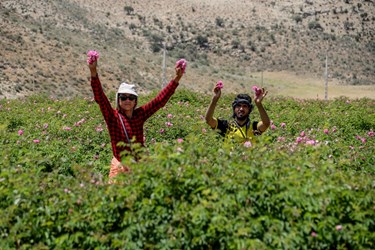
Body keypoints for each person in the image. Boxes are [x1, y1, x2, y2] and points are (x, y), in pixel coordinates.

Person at [88, 55, 184, 179]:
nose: (127, 100)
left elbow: (159, 101)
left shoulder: (140, 115)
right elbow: (100, 97)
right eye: (123, 97)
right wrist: (93, 72)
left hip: (139, 168)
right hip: (120, 169)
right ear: (118, 100)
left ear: (135, 101)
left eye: (131, 98)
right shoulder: (112, 117)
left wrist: (177, 78)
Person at [205, 84, 270, 145]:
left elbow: (266, 123)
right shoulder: (226, 126)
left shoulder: (254, 127)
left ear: (249, 110)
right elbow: (209, 120)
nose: (241, 109)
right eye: (238, 106)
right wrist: (215, 99)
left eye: (245, 106)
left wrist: (259, 104)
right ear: (234, 108)